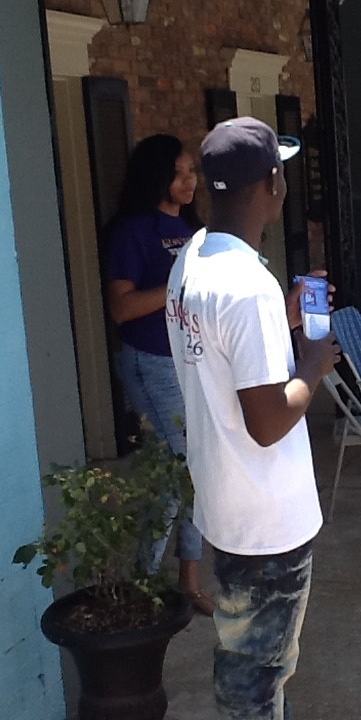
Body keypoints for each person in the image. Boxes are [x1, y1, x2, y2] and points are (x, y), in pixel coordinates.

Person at [166, 117, 341, 720]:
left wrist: (280, 323)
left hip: (225, 501)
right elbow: (267, 423)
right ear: (272, 183)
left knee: (247, 659)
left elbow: (222, 358)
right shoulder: (247, 284)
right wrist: (313, 363)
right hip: (269, 518)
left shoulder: (192, 260)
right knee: (257, 677)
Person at [105, 133, 214, 616]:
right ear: (156, 176)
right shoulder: (132, 231)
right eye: (179, 173)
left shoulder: (192, 229)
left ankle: (187, 582)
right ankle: (144, 585)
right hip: (152, 360)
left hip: (191, 358)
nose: (190, 182)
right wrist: (176, 284)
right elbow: (122, 308)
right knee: (180, 471)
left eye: (192, 172)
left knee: (192, 470)